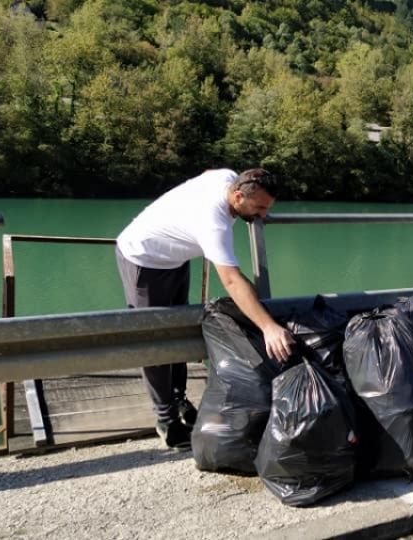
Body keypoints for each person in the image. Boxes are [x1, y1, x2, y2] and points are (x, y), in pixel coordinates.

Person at [116, 168, 295, 450]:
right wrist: (268, 326)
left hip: (175, 256)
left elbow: (210, 172)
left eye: (267, 209)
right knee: (156, 339)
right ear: (238, 196)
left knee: (178, 330)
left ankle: (178, 397)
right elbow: (232, 281)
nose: (263, 216)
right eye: (259, 208)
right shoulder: (213, 222)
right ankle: (166, 420)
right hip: (143, 258)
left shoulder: (227, 177)